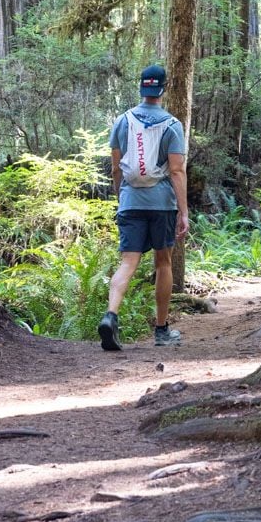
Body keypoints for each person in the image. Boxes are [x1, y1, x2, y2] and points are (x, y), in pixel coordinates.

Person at [98, 64, 189, 351]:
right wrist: (183, 212)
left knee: (128, 262)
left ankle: (111, 316)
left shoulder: (122, 121)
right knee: (163, 262)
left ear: (142, 87)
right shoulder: (172, 125)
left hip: (130, 201)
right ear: (164, 88)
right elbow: (176, 171)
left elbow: (116, 167)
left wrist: (120, 197)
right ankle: (161, 331)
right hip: (161, 204)